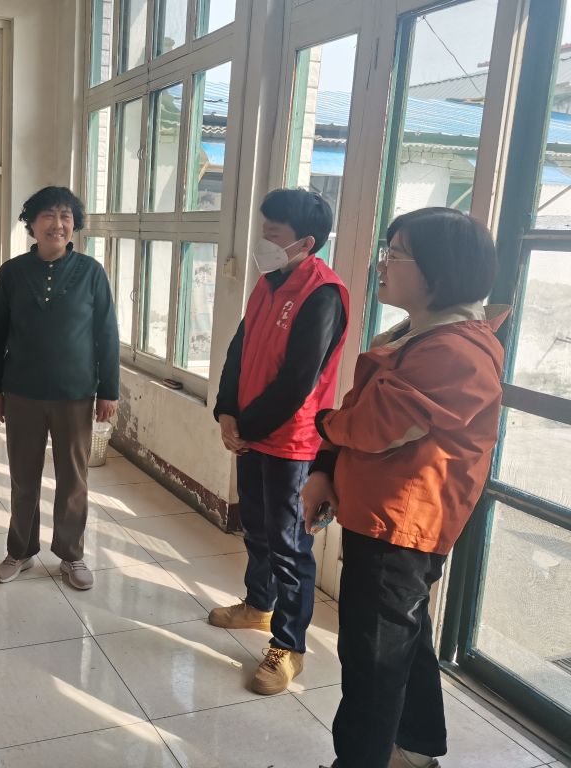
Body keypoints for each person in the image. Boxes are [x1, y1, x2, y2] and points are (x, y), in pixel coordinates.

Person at [304, 208, 506, 768]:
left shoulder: (455, 353)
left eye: (395, 255)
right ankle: (414, 749)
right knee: (402, 641)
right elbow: (361, 413)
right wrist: (326, 466)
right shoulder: (418, 334)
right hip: (384, 517)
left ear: (441, 270)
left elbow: (371, 426)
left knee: (373, 662)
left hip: (400, 529)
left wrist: (323, 425)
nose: (381, 265)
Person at [211, 188, 349, 694]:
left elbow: (298, 380)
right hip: (252, 430)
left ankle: (289, 647)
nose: (263, 240)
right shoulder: (268, 281)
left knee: (290, 544)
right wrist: (226, 410)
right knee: (256, 526)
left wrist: (246, 427)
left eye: (274, 233)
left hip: (292, 440)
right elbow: (240, 348)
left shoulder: (322, 293)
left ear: (305, 242)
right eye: (263, 229)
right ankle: (258, 604)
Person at [0, 187, 120, 591]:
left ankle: (71, 554)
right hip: (22, 392)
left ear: (74, 224)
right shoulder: (12, 272)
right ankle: (20, 550)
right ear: (32, 223)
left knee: (73, 478)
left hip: (74, 394)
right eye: (48, 215)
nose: (57, 224)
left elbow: (107, 335)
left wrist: (108, 391)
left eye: (65, 216)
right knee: (23, 477)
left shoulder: (92, 272)